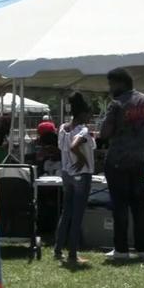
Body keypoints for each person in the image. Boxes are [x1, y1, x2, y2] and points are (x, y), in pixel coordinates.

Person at [99, 68, 144, 261]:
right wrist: (139, 135)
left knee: (120, 207)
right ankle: (143, 250)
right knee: (139, 207)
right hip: (139, 160)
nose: (110, 88)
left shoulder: (117, 103)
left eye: (111, 84)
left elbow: (104, 133)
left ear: (121, 83)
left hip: (117, 161)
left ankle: (121, 250)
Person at [54, 93, 95, 267]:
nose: (90, 117)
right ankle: (72, 253)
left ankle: (58, 249)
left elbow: (66, 147)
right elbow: (74, 146)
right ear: (82, 114)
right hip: (81, 174)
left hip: (66, 174)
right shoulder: (83, 130)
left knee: (66, 212)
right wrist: (82, 158)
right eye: (88, 114)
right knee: (77, 215)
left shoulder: (63, 128)